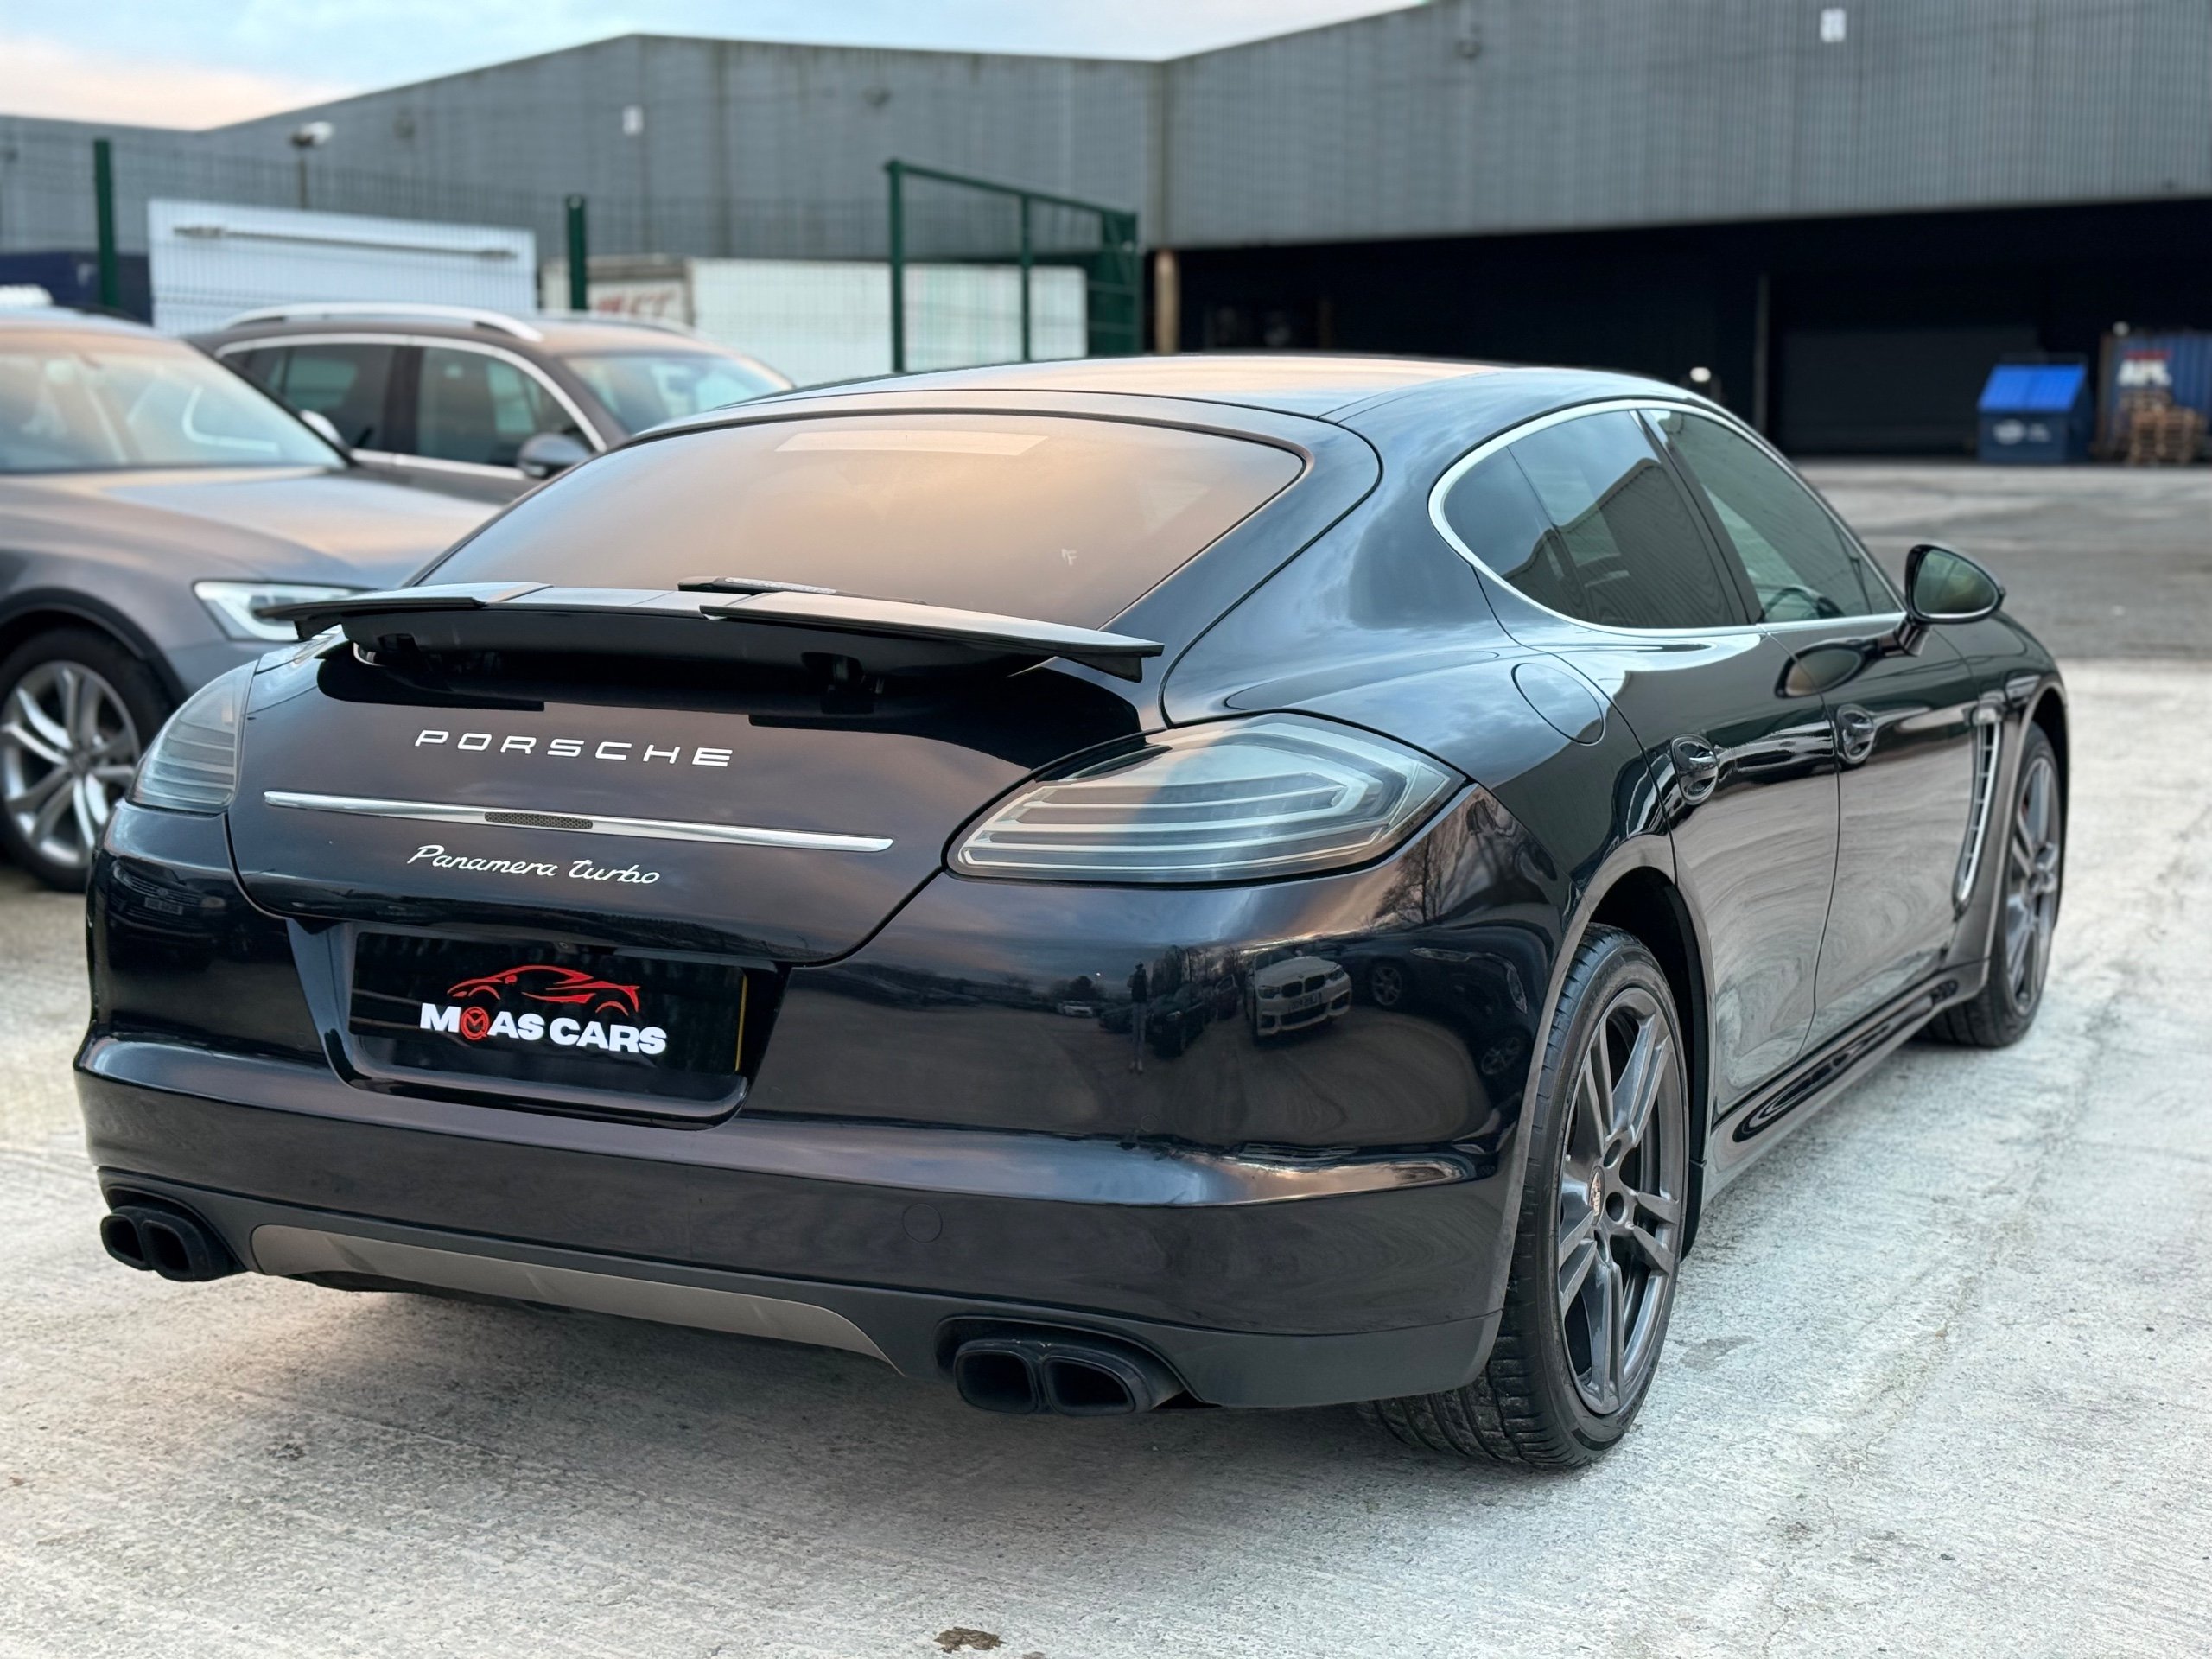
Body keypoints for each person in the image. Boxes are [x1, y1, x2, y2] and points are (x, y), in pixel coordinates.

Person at [1127, 961, 1151, 1073]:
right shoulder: (1134, 976)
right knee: (1135, 1033)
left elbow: (1148, 987)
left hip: (1143, 1004)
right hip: (1136, 1003)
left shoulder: (1145, 977)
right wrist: (1135, 976)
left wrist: (1144, 977)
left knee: (1142, 1033)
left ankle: (1139, 1060)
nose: (1140, 970)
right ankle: (1133, 1060)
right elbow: (1129, 984)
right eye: (1138, 968)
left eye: (1141, 968)